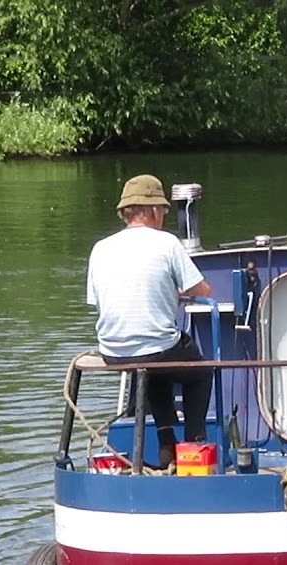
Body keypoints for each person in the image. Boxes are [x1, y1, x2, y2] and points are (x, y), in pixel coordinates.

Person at [86, 174, 213, 469]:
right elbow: (203, 291)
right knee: (200, 372)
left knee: (153, 368)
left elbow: (98, 301)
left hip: (113, 351)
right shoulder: (167, 243)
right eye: (163, 211)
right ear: (154, 210)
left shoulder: (100, 248)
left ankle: (167, 443)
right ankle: (193, 446)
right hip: (157, 346)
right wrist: (178, 291)